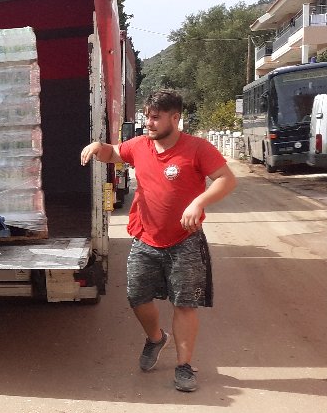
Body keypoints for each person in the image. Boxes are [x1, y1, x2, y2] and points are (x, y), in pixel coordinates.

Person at [80, 89, 237, 392]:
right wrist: (98, 146)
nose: (149, 123)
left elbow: (227, 179)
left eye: (155, 118)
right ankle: (156, 338)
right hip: (145, 238)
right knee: (137, 297)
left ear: (175, 118)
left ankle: (184, 366)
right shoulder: (140, 145)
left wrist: (198, 202)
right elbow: (114, 152)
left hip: (185, 240)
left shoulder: (197, 148)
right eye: (147, 117)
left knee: (184, 303)